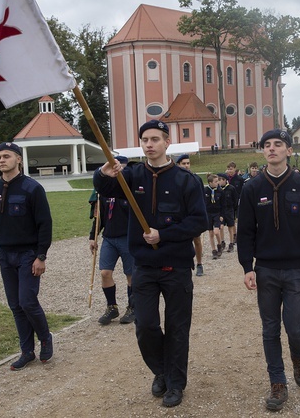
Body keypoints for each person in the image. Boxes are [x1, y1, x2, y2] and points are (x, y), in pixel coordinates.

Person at [93, 120, 207, 408]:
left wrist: (163, 235)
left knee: (178, 328)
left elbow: (199, 221)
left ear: (167, 143)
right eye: (145, 139)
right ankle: (162, 370)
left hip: (176, 267)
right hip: (143, 267)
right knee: (145, 326)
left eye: (155, 139)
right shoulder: (131, 175)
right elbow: (107, 188)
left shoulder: (186, 180)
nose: (149, 144)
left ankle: (176, 384)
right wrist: (102, 173)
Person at [236, 129, 300, 411]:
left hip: (298, 269)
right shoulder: (251, 188)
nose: (272, 149)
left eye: (278, 145)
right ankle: (277, 382)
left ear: (288, 150)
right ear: (262, 152)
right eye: (267, 145)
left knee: (296, 329)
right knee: (270, 329)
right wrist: (246, 267)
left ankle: (299, 359)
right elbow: (246, 232)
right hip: (266, 270)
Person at [0, 142, 53, 371]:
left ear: (18, 159)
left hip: (28, 254)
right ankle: (26, 351)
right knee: (15, 305)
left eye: (7, 156)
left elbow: (45, 224)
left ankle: (45, 337)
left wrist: (41, 256)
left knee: (27, 301)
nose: (2, 160)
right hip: (5, 254)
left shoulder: (32, 188)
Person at [89, 156, 136, 325]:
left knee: (130, 274)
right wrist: (92, 237)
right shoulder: (104, 193)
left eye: (120, 168)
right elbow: (99, 217)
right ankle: (112, 307)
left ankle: (132, 307)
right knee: (105, 273)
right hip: (109, 237)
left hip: (126, 237)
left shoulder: (129, 190)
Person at [176, 154, 206, 276]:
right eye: (184, 163)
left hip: (192, 215)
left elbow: (202, 199)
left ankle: (199, 264)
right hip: (179, 216)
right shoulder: (174, 179)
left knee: (197, 240)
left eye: (188, 163)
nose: (187, 165)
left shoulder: (196, 179)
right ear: (178, 165)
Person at [204, 173, 224, 258]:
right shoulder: (205, 190)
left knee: (216, 231)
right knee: (211, 233)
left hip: (217, 213)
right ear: (210, 182)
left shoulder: (220, 191)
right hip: (208, 213)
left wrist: (222, 215)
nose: (217, 183)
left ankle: (219, 245)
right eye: (215, 181)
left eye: (218, 181)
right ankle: (213, 250)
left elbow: (223, 204)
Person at [217, 173, 238, 252]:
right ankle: (222, 242)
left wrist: (234, 209)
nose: (219, 182)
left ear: (225, 180)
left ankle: (231, 243)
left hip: (229, 209)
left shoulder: (231, 188)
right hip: (221, 210)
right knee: (220, 227)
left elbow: (235, 199)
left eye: (220, 180)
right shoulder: (218, 189)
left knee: (230, 226)